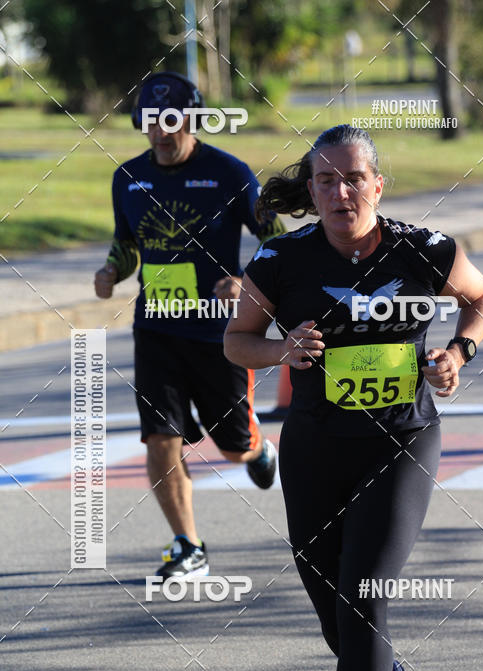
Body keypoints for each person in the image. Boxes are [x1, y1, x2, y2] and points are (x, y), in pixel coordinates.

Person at [224, 124, 483, 671]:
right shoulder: (283, 259)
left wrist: (458, 354)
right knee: (333, 608)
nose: (341, 192)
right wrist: (281, 350)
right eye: (325, 181)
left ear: (378, 184)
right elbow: (236, 343)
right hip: (316, 443)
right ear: (312, 192)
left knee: (363, 594)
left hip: (401, 443)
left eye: (353, 178)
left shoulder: (423, 248)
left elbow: (481, 298)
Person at [94, 72, 286, 581]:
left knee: (231, 445)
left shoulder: (230, 174)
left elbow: (276, 241)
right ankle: (188, 544)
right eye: (152, 122)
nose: (162, 132)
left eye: (172, 121)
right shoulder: (128, 178)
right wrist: (113, 269)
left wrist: (244, 281)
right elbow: (128, 242)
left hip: (218, 335)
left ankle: (258, 449)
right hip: (156, 329)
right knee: (161, 438)